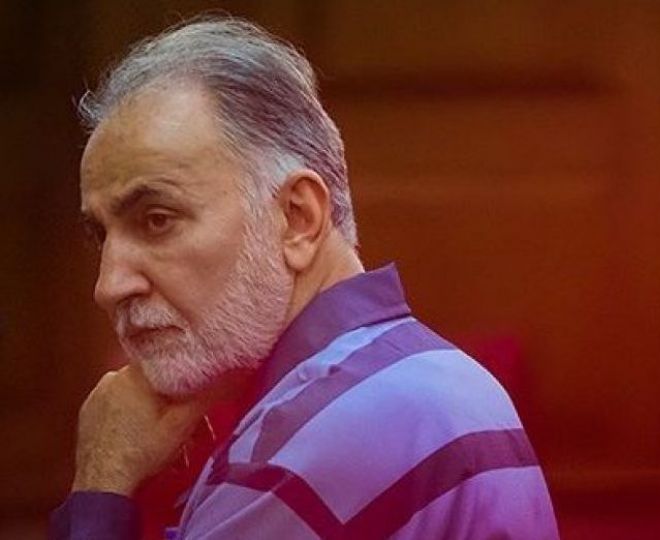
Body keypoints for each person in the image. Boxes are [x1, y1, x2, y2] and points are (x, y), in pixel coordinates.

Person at [51, 16, 558, 540]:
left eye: (157, 220)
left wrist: (101, 484)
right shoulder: (437, 374)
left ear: (297, 218)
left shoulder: (301, 454)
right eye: (100, 236)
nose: (109, 286)